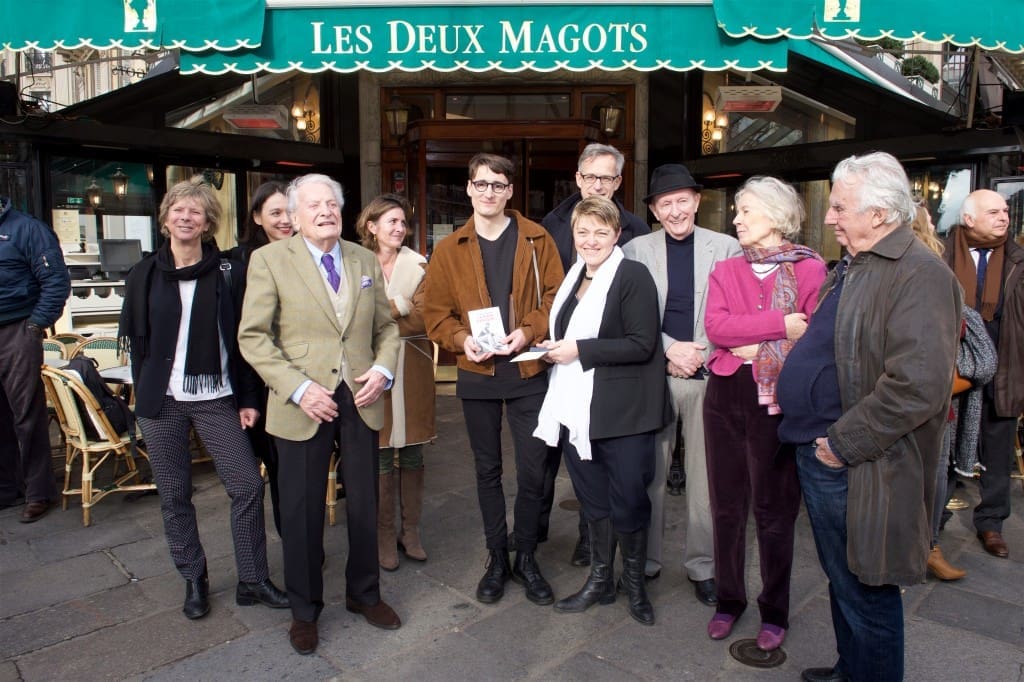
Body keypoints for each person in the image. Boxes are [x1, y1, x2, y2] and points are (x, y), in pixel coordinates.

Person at [776, 152, 961, 682]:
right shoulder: (854, 265)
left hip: (861, 462)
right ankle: (850, 669)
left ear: (879, 214)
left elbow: (917, 386)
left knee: (868, 591)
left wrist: (841, 445)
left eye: (840, 207)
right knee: (842, 577)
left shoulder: (919, 275)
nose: (830, 216)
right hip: (825, 453)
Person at [238, 173, 402, 655]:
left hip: (360, 395)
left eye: (332, 202)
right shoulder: (269, 260)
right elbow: (253, 337)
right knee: (301, 508)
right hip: (302, 399)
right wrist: (298, 388)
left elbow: (387, 328)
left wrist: (382, 369)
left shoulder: (362, 256)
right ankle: (304, 610)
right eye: (314, 204)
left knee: (365, 504)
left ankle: (364, 594)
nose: (325, 211)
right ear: (294, 214)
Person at [119, 177, 288, 621]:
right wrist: (147, 393)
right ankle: (193, 577)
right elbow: (139, 342)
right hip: (163, 402)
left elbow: (243, 342)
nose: (186, 217)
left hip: (217, 397)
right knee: (174, 493)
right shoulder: (144, 275)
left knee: (248, 485)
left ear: (208, 222)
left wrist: (248, 398)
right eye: (178, 209)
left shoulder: (229, 273)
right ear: (166, 219)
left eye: (196, 211)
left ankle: (253, 579)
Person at [422, 152, 563, 607]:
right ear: (468, 188)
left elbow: (555, 298)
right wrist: (463, 340)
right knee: (486, 470)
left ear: (510, 191)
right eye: (481, 184)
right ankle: (497, 556)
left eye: (498, 185)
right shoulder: (448, 248)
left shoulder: (537, 238)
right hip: (478, 371)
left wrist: (529, 330)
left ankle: (526, 555)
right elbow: (435, 313)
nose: (489, 192)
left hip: (527, 369)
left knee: (533, 468)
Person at [702, 176, 826, 649]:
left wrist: (750, 339)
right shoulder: (726, 271)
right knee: (726, 505)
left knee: (775, 511)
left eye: (745, 210)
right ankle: (728, 601)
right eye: (737, 209)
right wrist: (777, 326)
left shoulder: (812, 271)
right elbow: (717, 327)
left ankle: (775, 611)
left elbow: (812, 335)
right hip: (725, 395)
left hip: (777, 402)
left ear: (774, 215)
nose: (736, 218)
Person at [534, 196, 668, 625]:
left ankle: (634, 586)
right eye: (583, 232)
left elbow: (642, 342)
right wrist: (554, 349)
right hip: (578, 410)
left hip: (624, 413)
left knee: (628, 500)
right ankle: (599, 581)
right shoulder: (574, 276)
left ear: (616, 235)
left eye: (601, 232)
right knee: (593, 502)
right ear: (573, 236)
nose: (591, 240)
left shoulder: (632, 275)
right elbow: (569, 332)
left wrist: (578, 350)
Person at [622, 164, 741, 601]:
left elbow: (735, 312)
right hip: (654, 373)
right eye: (665, 203)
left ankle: (703, 566)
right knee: (649, 473)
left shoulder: (727, 248)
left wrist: (699, 352)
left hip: (710, 375)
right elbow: (627, 314)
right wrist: (671, 349)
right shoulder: (635, 250)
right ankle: (647, 560)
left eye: (682, 201)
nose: (675, 211)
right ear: (654, 209)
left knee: (707, 477)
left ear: (697, 201)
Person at [540, 142, 651, 567]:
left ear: (618, 182)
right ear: (578, 178)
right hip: (565, 378)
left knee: (614, 475)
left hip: (612, 382)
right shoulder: (552, 226)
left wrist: (579, 349)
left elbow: (639, 324)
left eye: (606, 177)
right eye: (590, 177)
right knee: (563, 466)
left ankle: (599, 548)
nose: (597, 185)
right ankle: (545, 536)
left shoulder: (637, 231)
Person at [354, 193, 436, 571]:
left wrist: (387, 309)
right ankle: (385, 536)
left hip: (413, 367)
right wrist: (401, 305)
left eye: (404, 222)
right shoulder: (354, 262)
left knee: (415, 450)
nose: (400, 228)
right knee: (381, 452)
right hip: (369, 368)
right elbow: (351, 316)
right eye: (392, 222)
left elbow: (425, 318)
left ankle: (412, 531)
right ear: (372, 226)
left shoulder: (419, 264)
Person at [943, 189, 1023, 560]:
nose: (1004, 217)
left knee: (999, 447)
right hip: (956, 365)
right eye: (994, 211)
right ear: (970, 219)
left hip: (1006, 363)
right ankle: (934, 517)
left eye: (1005, 211)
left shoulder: (1019, 260)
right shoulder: (942, 256)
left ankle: (991, 522)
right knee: (945, 446)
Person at [225, 180, 294, 537]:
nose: (285, 220)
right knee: (276, 469)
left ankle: (302, 541)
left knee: (298, 471)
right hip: (261, 383)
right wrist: (247, 395)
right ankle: (291, 542)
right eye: (275, 213)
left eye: (289, 212)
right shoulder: (239, 264)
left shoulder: (308, 255)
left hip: (304, 377)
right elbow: (241, 335)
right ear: (256, 217)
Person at [0, 197, 69, 522]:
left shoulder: (27, 229)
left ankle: (38, 491)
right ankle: (7, 487)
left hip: (16, 328)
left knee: (26, 413)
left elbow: (56, 281)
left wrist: (35, 324)